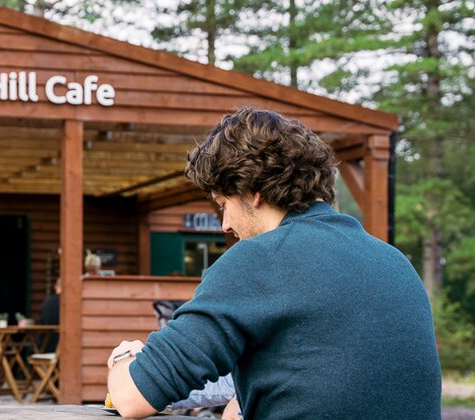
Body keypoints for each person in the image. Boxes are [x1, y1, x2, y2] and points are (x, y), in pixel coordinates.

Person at [106, 108, 441, 418]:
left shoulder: (260, 259)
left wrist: (123, 360)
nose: (225, 224)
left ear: (252, 192)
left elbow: (133, 397)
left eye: (224, 204)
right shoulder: (393, 261)